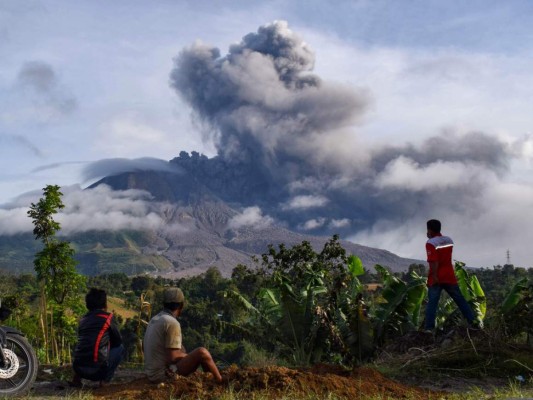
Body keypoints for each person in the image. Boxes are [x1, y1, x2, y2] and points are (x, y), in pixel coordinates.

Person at [143, 287, 222, 383]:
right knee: (202, 353)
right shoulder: (171, 322)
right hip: (162, 375)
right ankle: (219, 383)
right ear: (181, 306)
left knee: (182, 348)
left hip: (151, 374)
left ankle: (209, 380)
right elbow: (172, 357)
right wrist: (193, 358)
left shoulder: (156, 318)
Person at [424, 219, 478, 332]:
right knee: (460, 300)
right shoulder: (449, 240)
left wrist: (434, 276)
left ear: (429, 229)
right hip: (449, 276)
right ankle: (473, 322)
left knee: (432, 304)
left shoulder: (430, 243)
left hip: (437, 277)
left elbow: (434, 261)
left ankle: (429, 329)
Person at [71, 288, 124, 387]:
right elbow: (118, 340)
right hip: (97, 371)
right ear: (105, 304)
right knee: (120, 348)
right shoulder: (107, 318)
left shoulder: (83, 319)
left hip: (78, 368)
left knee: (85, 344)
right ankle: (105, 381)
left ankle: (76, 379)